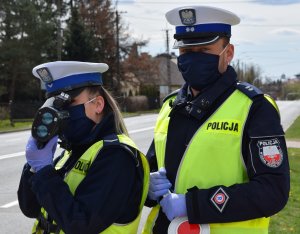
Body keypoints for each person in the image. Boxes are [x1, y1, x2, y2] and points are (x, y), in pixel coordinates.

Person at [142, 5, 290, 234]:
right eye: (186, 52)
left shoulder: (254, 107)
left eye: (203, 51)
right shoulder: (170, 106)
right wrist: (146, 188)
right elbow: (152, 169)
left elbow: (272, 191)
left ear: (228, 52)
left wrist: (191, 204)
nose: (193, 59)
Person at [17, 61, 149, 234]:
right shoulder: (72, 152)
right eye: (54, 104)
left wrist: (44, 172)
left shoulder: (116, 155)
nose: (60, 112)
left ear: (98, 104)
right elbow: (30, 208)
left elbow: (81, 224)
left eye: (69, 102)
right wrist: (34, 168)